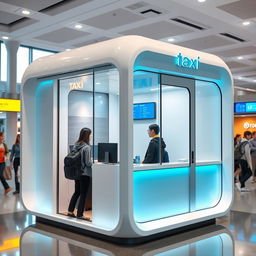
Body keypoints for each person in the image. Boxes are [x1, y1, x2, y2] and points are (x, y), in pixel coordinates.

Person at [67, 127, 92, 221]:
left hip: (76, 173)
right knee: (83, 194)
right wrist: (93, 163)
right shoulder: (86, 147)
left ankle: (70, 211)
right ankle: (80, 214)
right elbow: (88, 163)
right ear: (87, 136)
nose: (91, 136)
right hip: (85, 173)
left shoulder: (75, 145)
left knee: (77, 192)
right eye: (90, 134)